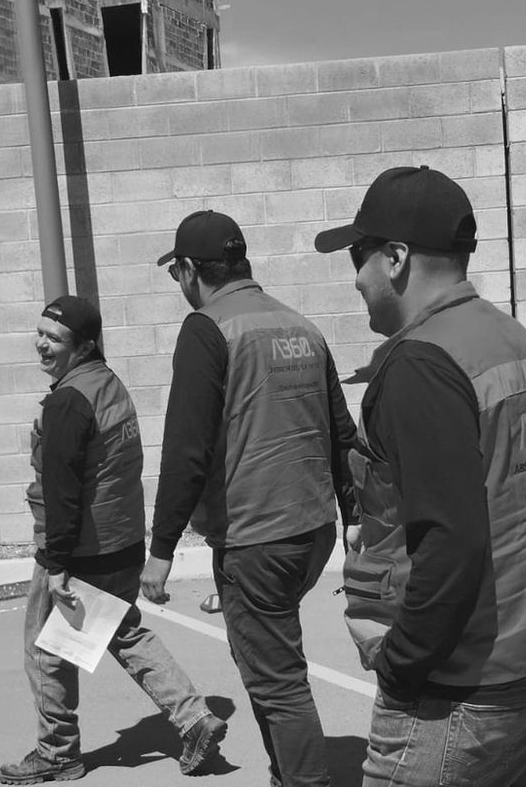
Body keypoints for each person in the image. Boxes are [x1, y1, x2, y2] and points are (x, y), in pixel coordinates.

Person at [314, 165, 526, 787]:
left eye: (358, 257)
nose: (356, 279)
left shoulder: (421, 365)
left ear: (395, 258)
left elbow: (451, 542)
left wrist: (401, 667)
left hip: (458, 689)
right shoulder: (509, 338)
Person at [140, 210, 357, 787]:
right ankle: (289, 775)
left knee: (277, 679)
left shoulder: (207, 328)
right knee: (263, 661)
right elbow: (342, 431)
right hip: (312, 530)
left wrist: (161, 550)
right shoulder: (299, 325)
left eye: (176, 274)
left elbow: (185, 448)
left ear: (190, 270)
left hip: (256, 537)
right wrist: (355, 514)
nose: (179, 284)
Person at [1, 295, 226, 785]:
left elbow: (62, 492)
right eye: (40, 333)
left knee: (45, 652)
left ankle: (57, 753)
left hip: (82, 551)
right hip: (121, 544)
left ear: (83, 346)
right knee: (124, 633)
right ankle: (195, 718)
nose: (42, 344)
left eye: (55, 338)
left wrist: (56, 565)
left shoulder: (68, 402)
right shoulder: (108, 385)